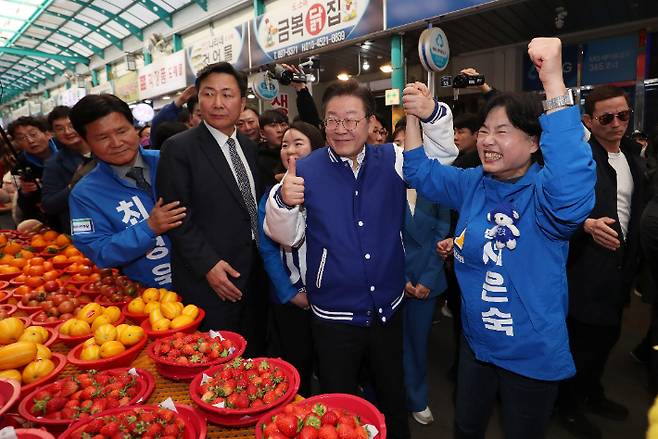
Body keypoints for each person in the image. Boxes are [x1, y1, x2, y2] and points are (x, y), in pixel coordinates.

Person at [403, 37, 596, 438]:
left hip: (531, 356)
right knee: (466, 426)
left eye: (503, 131)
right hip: (477, 345)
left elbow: (573, 190)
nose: (488, 140)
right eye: (486, 130)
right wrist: (411, 116)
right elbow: (419, 174)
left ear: (533, 142)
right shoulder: (474, 182)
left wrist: (553, 80)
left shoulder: (544, 195)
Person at [264, 78, 458, 439]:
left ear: (371, 123)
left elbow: (442, 158)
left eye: (351, 119)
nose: (341, 129)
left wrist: (431, 114)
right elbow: (284, 235)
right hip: (333, 315)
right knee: (338, 407)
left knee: (391, 394)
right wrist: (284, 202)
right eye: (333, 120)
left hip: (388, 307)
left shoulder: (393, 158)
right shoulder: (304, 170)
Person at [156, 62, 268, 357]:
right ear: (198, 99)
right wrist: (207, 265)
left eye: (227, 94)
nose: (218, 103)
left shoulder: (249, 147)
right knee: (216, 360)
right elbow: (176, 217)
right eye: (209, 94)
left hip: (255, 273)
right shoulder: (178, 149)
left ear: (243, 102)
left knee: (255, 356)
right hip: (210, 280)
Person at [559, 85, 645, 439]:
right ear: (588, 121)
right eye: (606, 117)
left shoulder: (632, 156)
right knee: (582, 343)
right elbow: (556, 209)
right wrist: (585, 225)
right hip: (585, 268)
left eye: (623, 115)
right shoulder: (579, 160)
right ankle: (567, 406)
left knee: (609, 336)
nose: (616, 124)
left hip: (622, 269)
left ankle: (593, 394)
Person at [68, 94, 184, 289]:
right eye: (102, 137)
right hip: (152, 301)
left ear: (134, 127)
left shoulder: (170, 161)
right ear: (86, 141)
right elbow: (98, 251)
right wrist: (149, 228)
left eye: (122, 131)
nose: (116, 143)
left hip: (208, 283)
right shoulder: (84, 194)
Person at [258, 120, 324, 396]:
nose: (290, 150)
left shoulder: (331, 189)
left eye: (299, 143)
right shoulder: (273, 195)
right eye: (285, 145)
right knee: (297, 364)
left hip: (330, 296)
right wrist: (289, 292)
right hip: (291, 297)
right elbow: (267, 249)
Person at [397, 123, 451, 425]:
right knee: (388, 343)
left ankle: (417, 396)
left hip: (426, 282)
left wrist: (426, 281)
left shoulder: (438, 188)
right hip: (392, 279)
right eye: (401, 145)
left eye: (413, 146)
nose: (408, 152)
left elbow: (442, 233)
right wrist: (400, 278)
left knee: (417, 343)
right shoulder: (386, 187)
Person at [41, 106, 92, 233]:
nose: (68, 132)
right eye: (60, 128)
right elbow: (49, 205)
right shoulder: (54, 164)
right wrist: (72, 186)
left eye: (71, 125)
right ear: (53, 133)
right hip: (83, 229)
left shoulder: (104, 150)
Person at [7, 116, 58, 226]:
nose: (30, 141)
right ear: (17, 143)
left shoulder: (64, 147)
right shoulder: (19, 167)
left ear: (48, 134)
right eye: (22, 138)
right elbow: (25, 206)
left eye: (33, 134)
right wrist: (25, 192)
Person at [258, 109, 289, 187]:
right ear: (262, 133)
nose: (280, 130)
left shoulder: (294, 153)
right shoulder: (257, 156)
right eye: (273, 125)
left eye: (283, 124)